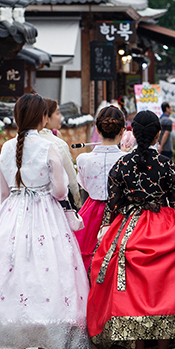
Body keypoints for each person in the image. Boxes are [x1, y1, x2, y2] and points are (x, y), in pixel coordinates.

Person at [0, 94, 89, 349]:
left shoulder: (7, 149)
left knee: (15, 276)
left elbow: (4, 192)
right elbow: (59, 190)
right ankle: (44, 347)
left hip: (12, 216)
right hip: (45, 217)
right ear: (43, 118)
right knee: (46, 276)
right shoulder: (48, 147)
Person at [87, 110, 175, 349]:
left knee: (134, 290)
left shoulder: (120, 165)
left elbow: (114, 204)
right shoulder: (166, 164)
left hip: (130, 227)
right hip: (163, 227)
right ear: (158, 134)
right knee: (166, 289)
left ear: (132, 132)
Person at [75, 106, 126, 274]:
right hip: (120, 213)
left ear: (97, 129)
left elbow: (83, 185)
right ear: (122, 131)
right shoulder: (127, 160)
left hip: (91, 212)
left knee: (86, 260)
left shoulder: (83, 159)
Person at [40, 98, 82, 208]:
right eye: (57, 113)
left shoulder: (16, 143)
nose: (61, 117)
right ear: (46, 118)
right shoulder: (56, 142)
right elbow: (70, 176)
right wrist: (77, 201)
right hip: (56, 201)